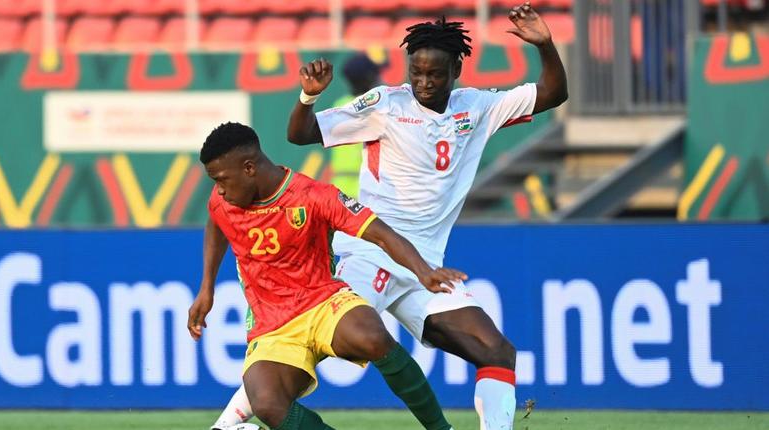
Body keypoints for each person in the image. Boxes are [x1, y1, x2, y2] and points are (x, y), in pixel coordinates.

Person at [217, 2, 568, 429]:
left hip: (424, 268)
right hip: (367, 252)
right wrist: (309, 97)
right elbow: (300, 133)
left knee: (495, 350)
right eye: (415, 72)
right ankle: (228, 423)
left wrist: (546, 45)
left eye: (434, 74)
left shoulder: (477, 107)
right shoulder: (385, 104)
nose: (422, 82)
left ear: (456, 68)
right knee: (304, 345)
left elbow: (553, 94)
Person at [189, 122, 463, 430]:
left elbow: (380, 234)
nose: (220, 189)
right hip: (272, 326)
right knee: (267, 404)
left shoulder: (312, 196)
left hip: (322, 302)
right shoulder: (223, 199)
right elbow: (216, 221)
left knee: (372, 336)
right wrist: (206, 288)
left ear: (249, 167)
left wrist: (423, 272)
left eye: (222, 179)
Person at [329, 52, 383, 198]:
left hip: (340, 187)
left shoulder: (339, 106)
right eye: (377, 74)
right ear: (370, 78)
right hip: (368, 187)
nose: (381, 78)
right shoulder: (376, 108)